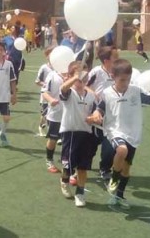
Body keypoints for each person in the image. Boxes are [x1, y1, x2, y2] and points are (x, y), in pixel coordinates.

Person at [88, 58, 150, 209]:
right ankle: (113, 178)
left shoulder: (135, 91)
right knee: (121, 150)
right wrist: (96, 115)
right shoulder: (107, 93)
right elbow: (99, 109)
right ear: (113, 77)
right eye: (122, 80)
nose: (125, 83)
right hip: (114, 131)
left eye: (128, 79)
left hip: (133, 134)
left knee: (126, 169)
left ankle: (118, 196)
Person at [59, 61, 98, 207]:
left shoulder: (91, 96)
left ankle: (80, 193)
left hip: (86, 133)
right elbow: (63, 88)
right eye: (78, 77)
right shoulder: (69, 92)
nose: (81, 81)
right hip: (70, 133)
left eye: (84, 77)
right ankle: (64, 181)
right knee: (68, 167)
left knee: (82, 167)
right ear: (70, 76)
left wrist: (94, 117)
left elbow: (95, 111)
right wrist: (75, 77)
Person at [86, 46, 119, 181]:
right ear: (106, 60)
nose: (118, 59)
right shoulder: (96, 72)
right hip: (96, 113)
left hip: (112, 114)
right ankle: (83, 166)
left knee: (110, 146)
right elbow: (84, 84)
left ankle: (105, 169)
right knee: (91, 144)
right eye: (115, 57)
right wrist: (92, 92)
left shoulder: (118, 72)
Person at [41, 67, 64, 173]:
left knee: (67, 139)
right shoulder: (52, 75)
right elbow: (44, 92)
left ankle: (66, 160)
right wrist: (50, 100)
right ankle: (49, 160)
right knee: (53, 139)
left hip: (70, 115)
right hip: (55, 114)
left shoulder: (73, 75)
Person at [34, 46, 54, 136]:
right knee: (45, 112)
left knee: (54, 112)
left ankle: (52, 130)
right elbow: (37, 81)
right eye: (50, 54)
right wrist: (46, 85)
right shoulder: (44, 68)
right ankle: (41, 126)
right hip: (45, 94)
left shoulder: (59, 67)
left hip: (55, 94)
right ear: (47, 56)